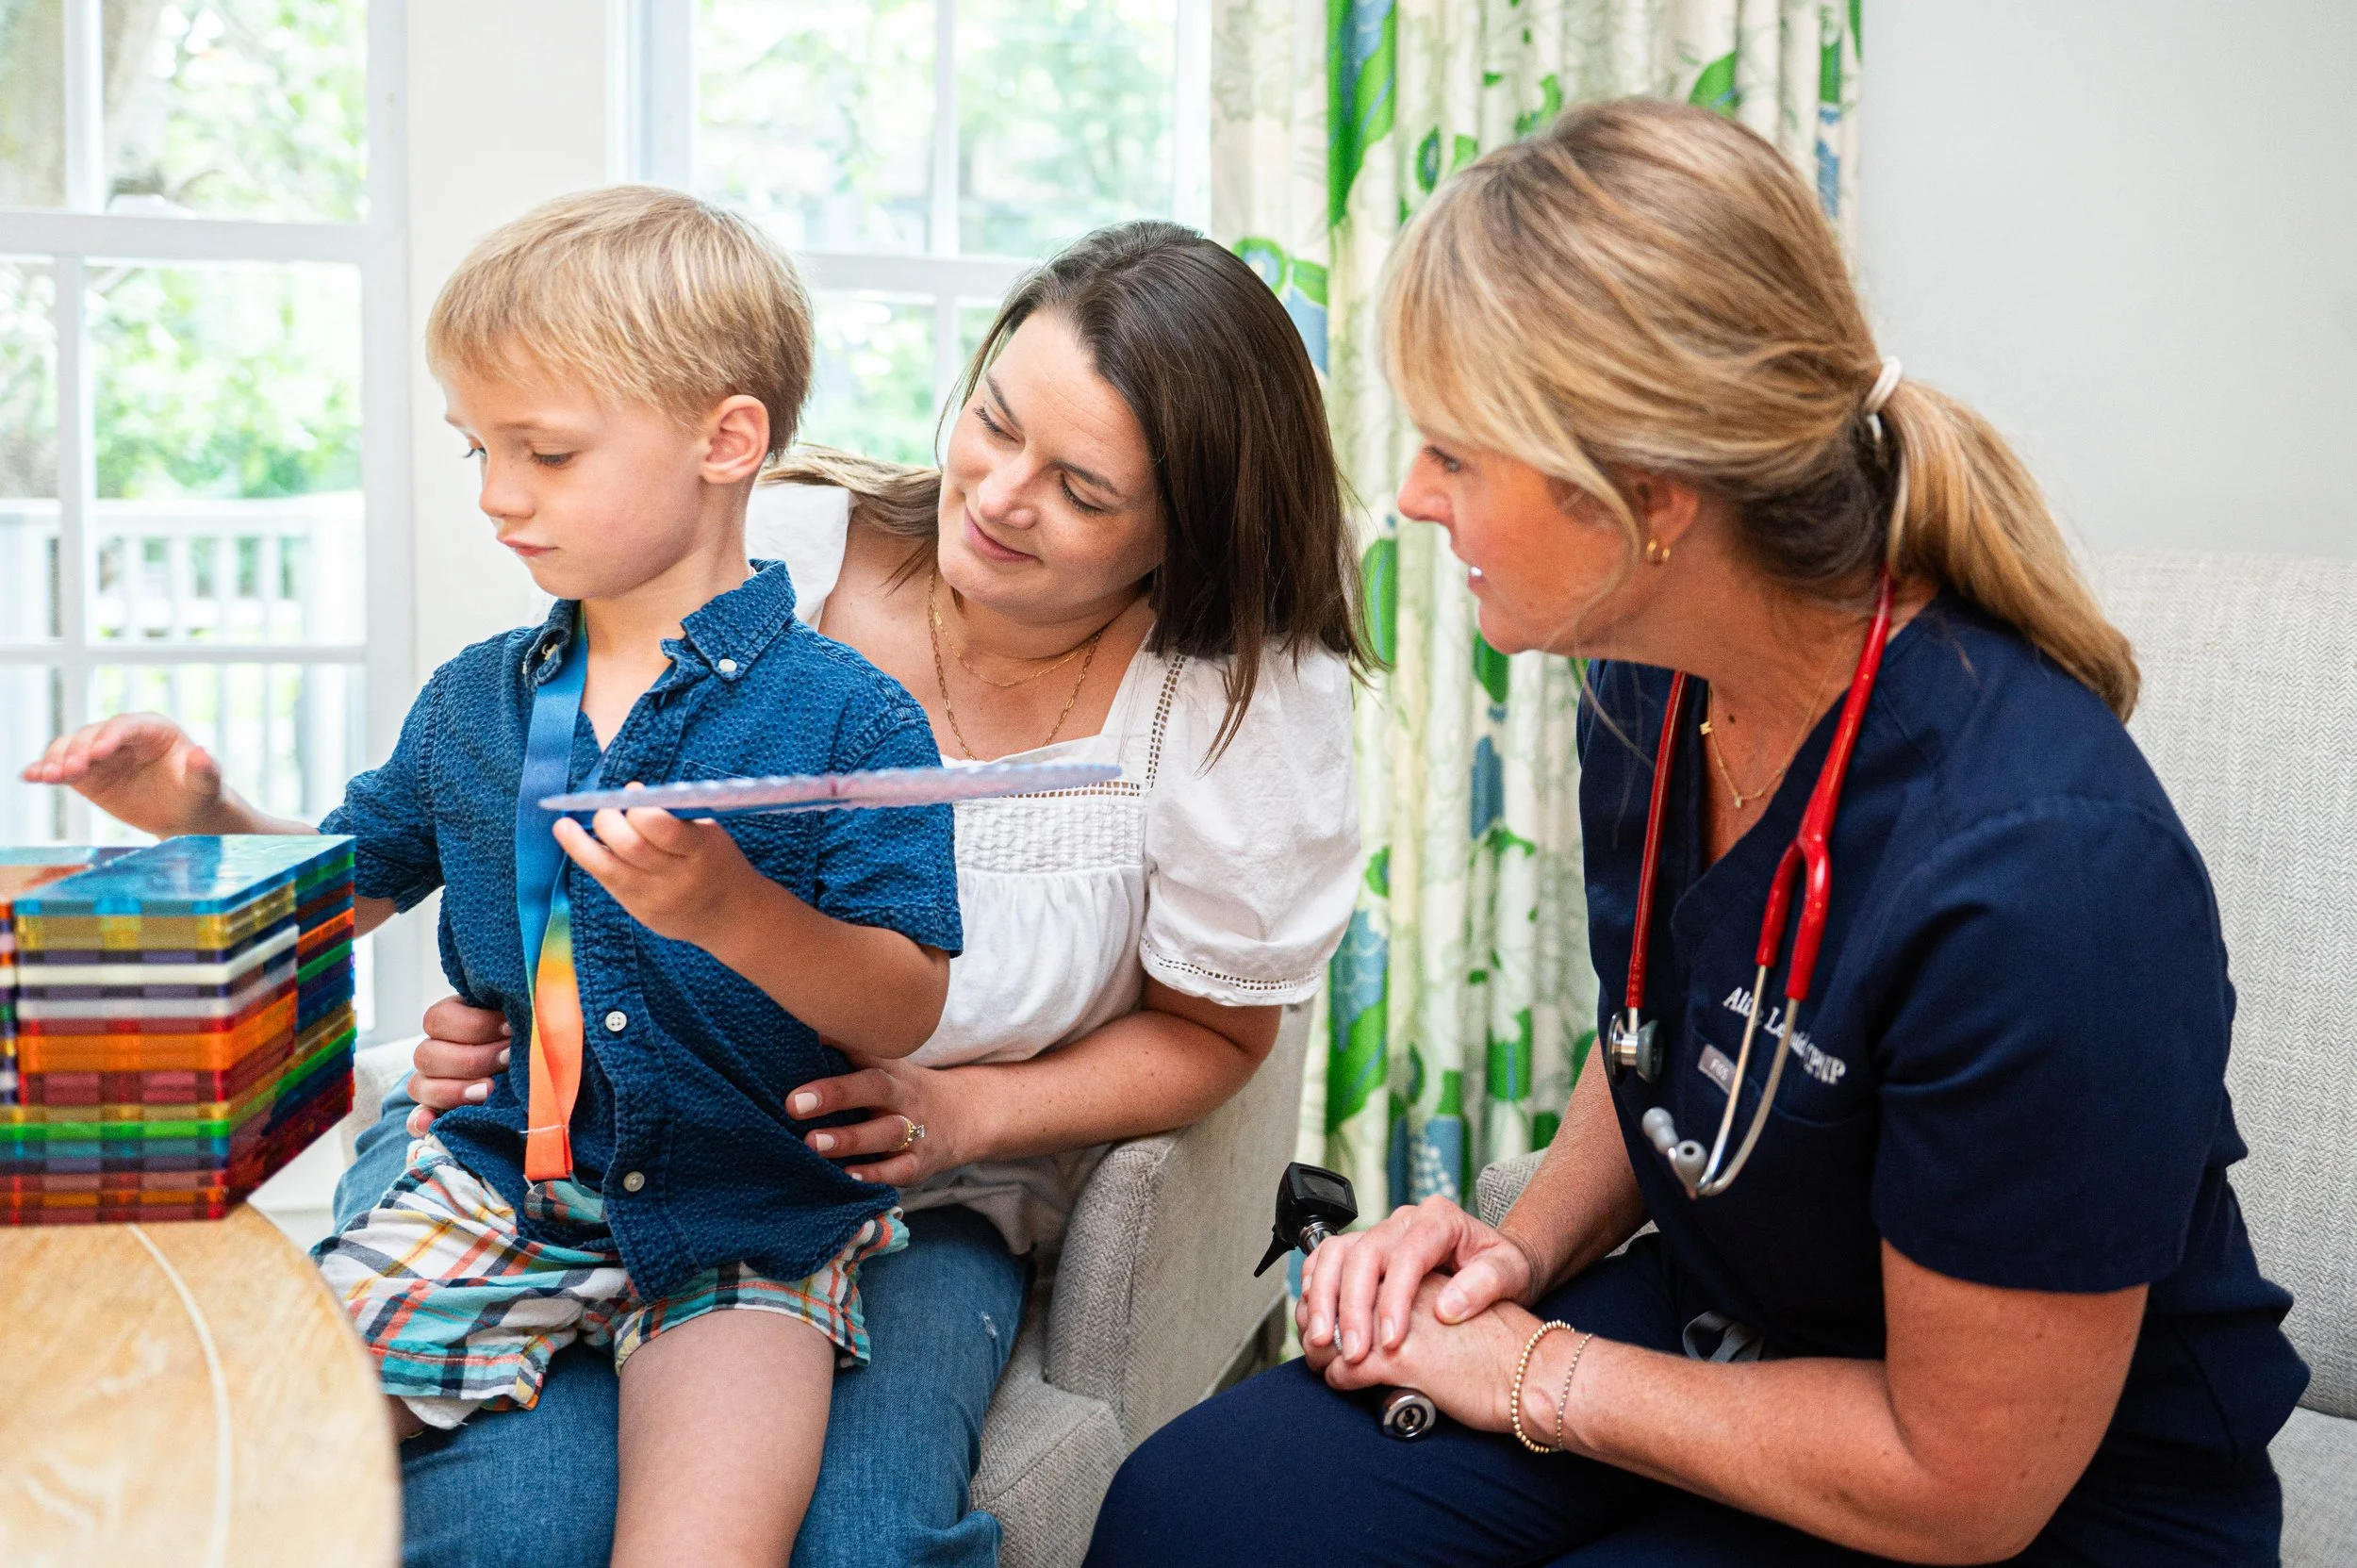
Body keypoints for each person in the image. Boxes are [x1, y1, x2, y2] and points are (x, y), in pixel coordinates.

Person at [1088, 100, 2310, 1567]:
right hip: (1737, 1321)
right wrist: (1518, 1250)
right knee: (1195, 1515)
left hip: (2043, 1497)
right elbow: (1694, 1026)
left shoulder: (2044, 878)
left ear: (1648, 504)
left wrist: (1540, 1374)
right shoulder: (1655, 683)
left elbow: (1963, 1478)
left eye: (1457, 455)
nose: (1413, 498)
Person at [340, 219, 1371, 1567]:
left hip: (877, 1192)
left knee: (861, 1536)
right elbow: (478, 813)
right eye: (993, 423)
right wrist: (517, 993)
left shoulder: (1232, 707)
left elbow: (1220, 1033)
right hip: (548, 1156)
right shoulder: (757, 538)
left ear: (1186, 530)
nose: (998, 496)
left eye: (1082, 490)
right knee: (497, 1526)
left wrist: (970, 1109)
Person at [23, 187, 965, 1567]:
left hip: (745, 1236)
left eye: (546, 450)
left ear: (728, 437)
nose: (495, 494)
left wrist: (731, 911)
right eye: (479, 447)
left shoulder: (855, 722)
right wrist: (202, 811)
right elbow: (337, 893)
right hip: (491, 1201)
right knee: (210, 1450)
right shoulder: (476, 706)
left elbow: (902, 1008)